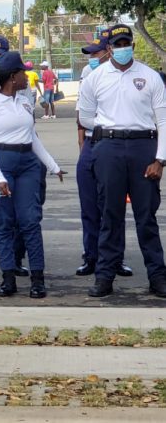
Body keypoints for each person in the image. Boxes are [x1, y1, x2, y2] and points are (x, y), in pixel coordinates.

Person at [78, 24, 166, 298]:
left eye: (126, 43)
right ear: (109, 49)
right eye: (117, 44)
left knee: (146, 218)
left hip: (144, 148)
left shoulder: (150, 77)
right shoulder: (95, 77)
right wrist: (109, 132)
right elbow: (86, 117)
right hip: (109, 148)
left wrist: (160, 160)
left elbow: (163, 120)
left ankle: (158, 277)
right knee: (110, 216)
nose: (122, 48)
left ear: (133, 46)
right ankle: (105, 276)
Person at [0, 51, 64, 298]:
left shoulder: (25, 101)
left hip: (27, 163)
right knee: (2, 222)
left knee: (30, 221)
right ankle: (8, 277)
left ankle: (37, 278)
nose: (27, 76)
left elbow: (33, 138)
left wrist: (52, 165)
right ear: (11, 77)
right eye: (23, 73)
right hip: (0, 162)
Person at [75, 30, 132, 278]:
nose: (93, 58)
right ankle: (91, 257)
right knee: (89, 208)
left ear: (109, 50)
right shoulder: (89, 76)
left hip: (113, 146)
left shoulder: (126, 78)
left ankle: (115, 259)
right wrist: (83, 152)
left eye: (96, 52)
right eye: (91, 54)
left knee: (113, 207)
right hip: (91, 144)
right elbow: (80, 119)